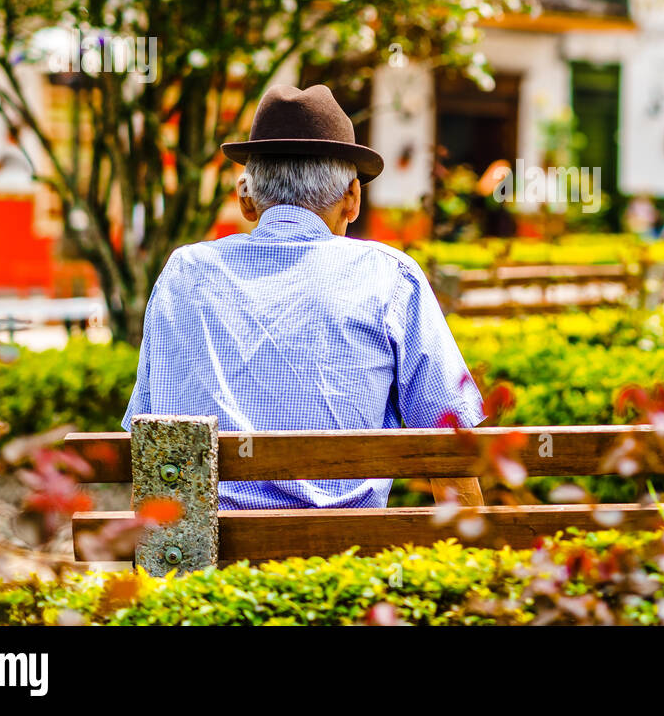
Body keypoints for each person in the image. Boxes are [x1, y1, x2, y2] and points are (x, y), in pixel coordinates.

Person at [122, 84, 485, 510]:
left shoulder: (185, 272)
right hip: (346, 567)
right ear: (352, 198)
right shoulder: (391, 275)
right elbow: (449, 444)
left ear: (246, 198)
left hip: (204, 571)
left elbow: (149, 443)